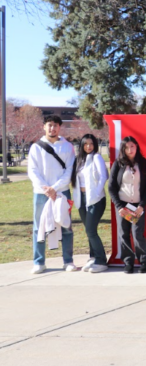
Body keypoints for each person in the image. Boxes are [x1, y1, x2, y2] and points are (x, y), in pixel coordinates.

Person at [28, 115, 76, 274]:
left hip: (62, 192)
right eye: (49, 125)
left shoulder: (68, 147)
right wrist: (46, 189)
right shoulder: (36, 147)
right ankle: (39, 262)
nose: (52, 128)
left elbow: (69, 171)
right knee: (38, 227)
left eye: (55, 125)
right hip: (41, 193)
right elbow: (33, 171)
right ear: (44, 126)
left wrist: (54, 188)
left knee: (66, 226)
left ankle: (68, 261)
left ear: (59, 127)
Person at [108, 136, 146, 273]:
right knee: (124, 233)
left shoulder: (143, 163)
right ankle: (128, 262)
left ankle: (145, 261)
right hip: (123, 205)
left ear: (136, 147)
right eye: (126, 147)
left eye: (132, 146)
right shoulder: (118, 164)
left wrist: (142, 205)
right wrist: (119, 206)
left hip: (137, 205)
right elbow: (111, 187)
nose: (130, 150)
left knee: (137, 233)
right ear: (123, 149)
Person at [71, 134, 109, 273]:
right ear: (81, 145)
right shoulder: (79, 160)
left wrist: (97, 193)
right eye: (86, 143)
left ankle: (101, 261)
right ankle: (93, 257)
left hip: (95, 199)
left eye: (91, 143)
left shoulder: (96, 157)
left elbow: (104, 176)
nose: (88, 146)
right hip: (81, 199)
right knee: (89, 230)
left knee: (91, 230)